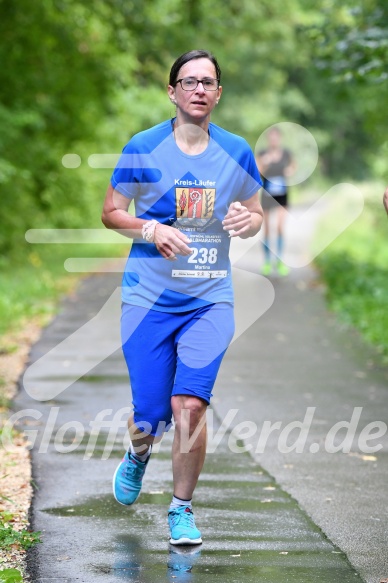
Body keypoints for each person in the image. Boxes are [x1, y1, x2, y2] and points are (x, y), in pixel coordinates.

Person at [101, 49, 263, 545]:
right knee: (149, 415)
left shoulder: (236, 150)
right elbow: (111, 212)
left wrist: (247, 221)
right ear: (171, 91)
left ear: (218, 93)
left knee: (190, 404)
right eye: (188, 81)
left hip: (210, 297)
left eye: (208, 82)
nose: (198, 89)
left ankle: (181, 509)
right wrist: (150, 229)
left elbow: (255, 213)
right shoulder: (144, 147)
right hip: (147, 299)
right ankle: (138, 453)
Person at [255, 126, 295, 276]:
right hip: (267, 193)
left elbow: (293, 165)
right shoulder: (263, 154)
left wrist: (290, 170)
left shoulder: (286, 153)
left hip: (282, 193)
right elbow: (257, 171)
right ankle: (266, 261)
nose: (273, 140)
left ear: (279, 138)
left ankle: (278, 261)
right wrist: (265, 162)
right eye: (271, 137)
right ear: (268, 139)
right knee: (266, 228)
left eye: (276, 137)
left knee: (279, 226)